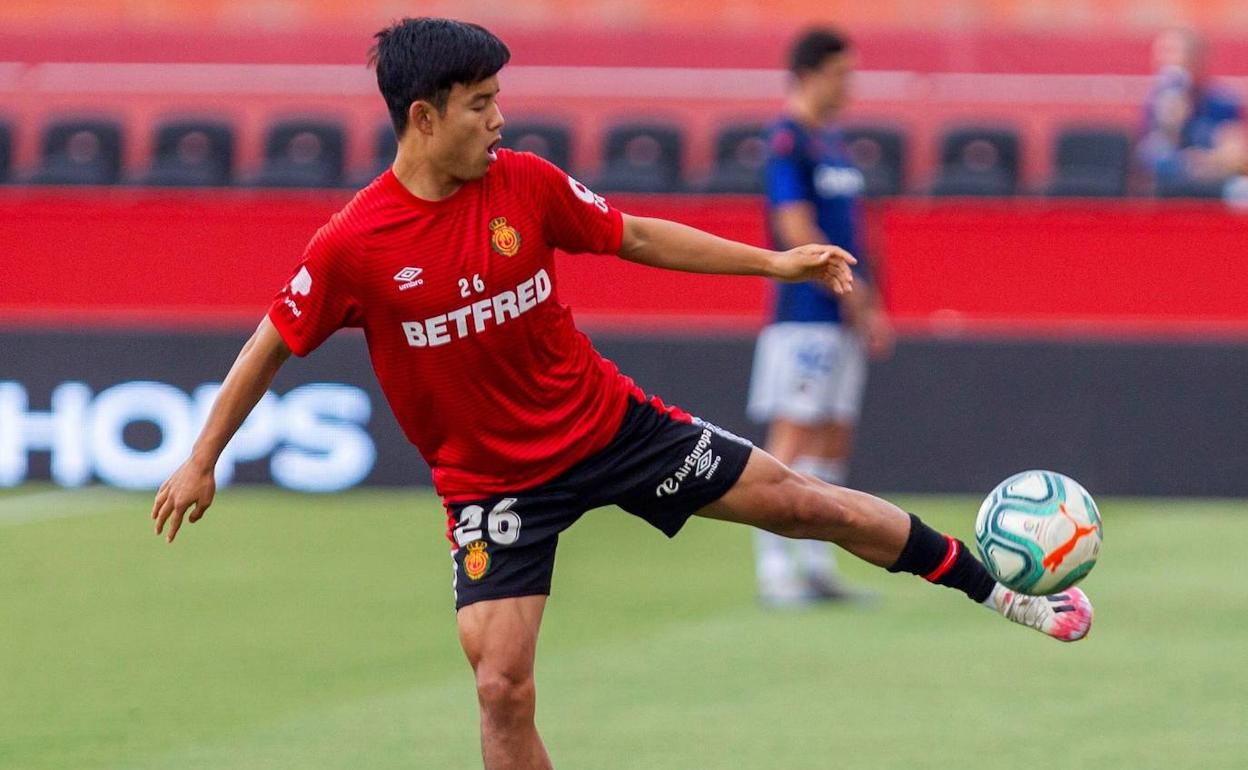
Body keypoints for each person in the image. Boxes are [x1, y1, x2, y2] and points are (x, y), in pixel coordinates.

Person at [150, 18, 1094, 770]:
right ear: (422, 116)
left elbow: (636, 234)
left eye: (498, 100)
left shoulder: (522, 183)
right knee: (500, 692)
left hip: (612, 430)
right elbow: (274, 340)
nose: (498, 121)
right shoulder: (354, 245)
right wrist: (201, 458)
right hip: (492, 490)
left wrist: (773, 259)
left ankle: (1001, 594)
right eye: (479, 105)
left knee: (804, 503)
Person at [746, 28, 894, 606]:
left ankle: (816, 559)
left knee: (833, 436)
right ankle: (773, 567)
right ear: (809, 75)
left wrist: (869, 302)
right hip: (804, 314)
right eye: (841, 74)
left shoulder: (833, 143)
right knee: (794, 432)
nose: (849, 86)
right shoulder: (787, 140)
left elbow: (854, 230)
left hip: (841, 314)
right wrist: (848, 290)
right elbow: (794, 227)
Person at [1138, 27, 1246, 195]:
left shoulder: (1222, 101)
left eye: (1173, 52)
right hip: (1167, 187)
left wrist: (1207, 161)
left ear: (1198, 59)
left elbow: (1237, 156)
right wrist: (1171, 122)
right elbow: (1151, 157)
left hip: (1213, 185)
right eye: (1162, 54)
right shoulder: (1155, 102)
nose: (1165, 61)